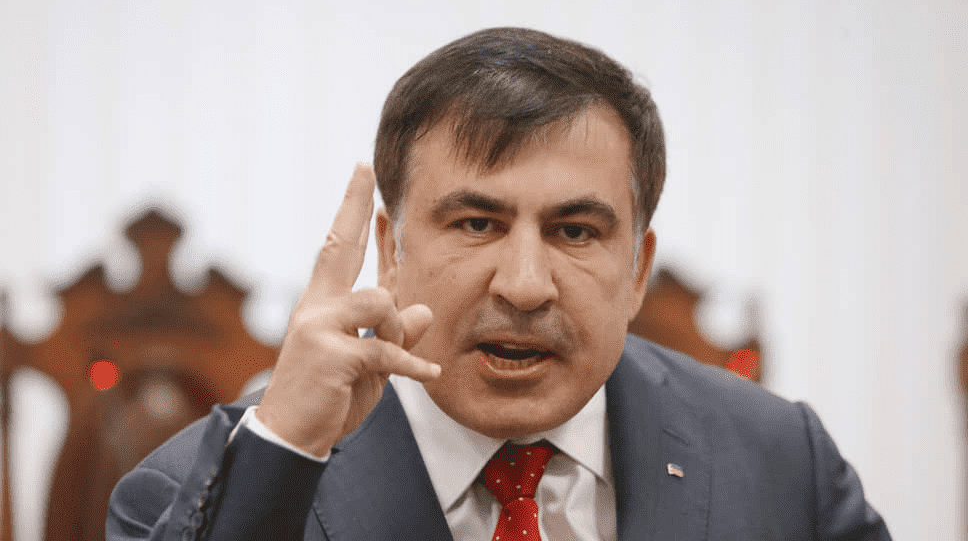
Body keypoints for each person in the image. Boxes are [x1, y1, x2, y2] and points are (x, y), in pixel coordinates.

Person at [106, 27, 891, 541]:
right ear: (391, 252)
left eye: (575, 231)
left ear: (637, 270)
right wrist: (286, 452)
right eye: (477, 223)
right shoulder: (191, 495)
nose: (524, 286)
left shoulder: (782, 463)